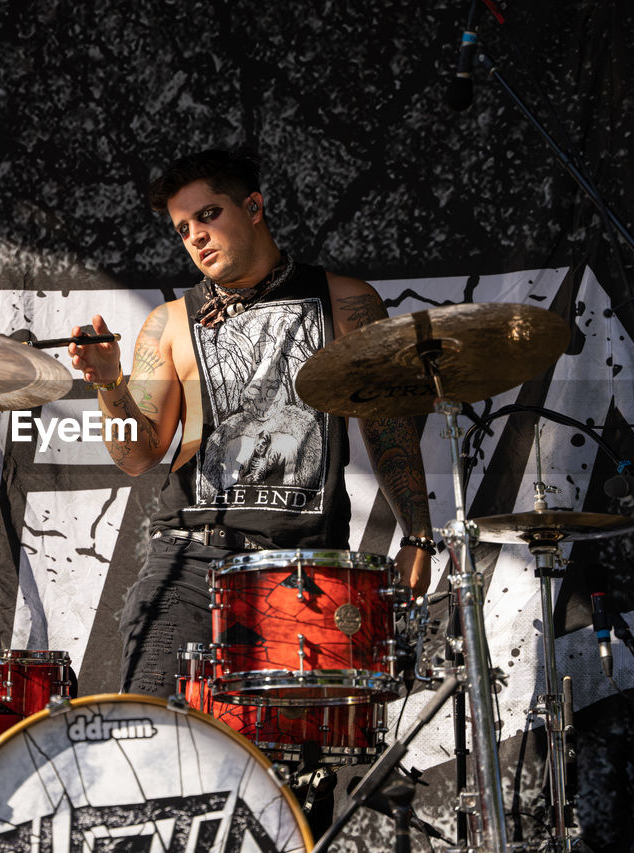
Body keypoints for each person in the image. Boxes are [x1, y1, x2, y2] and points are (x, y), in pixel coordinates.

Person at [69, 148, 433, 697]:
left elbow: (387, 430)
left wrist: (420, 536)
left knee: (292, 767)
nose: (195, 236)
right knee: (150, 740)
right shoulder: (167, 324)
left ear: (254, 206)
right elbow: (135, 456)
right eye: (182, 228)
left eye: (208, 215)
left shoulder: (347, 302)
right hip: (191, 563)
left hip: (307, 570)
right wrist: (107, 384)